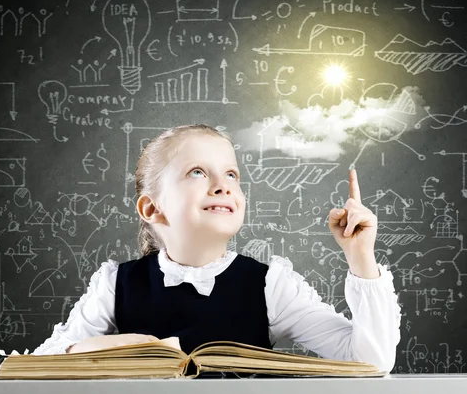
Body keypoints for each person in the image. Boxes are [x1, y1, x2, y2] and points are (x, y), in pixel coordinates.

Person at [32, 124, 401, 372]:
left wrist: (360, 256)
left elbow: (371, 362)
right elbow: (39, 365)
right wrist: (122, 347)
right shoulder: (115, 284)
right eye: (197, 172)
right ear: (151, 208)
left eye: (231, 174)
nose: (222, 185)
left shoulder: (271, 285)